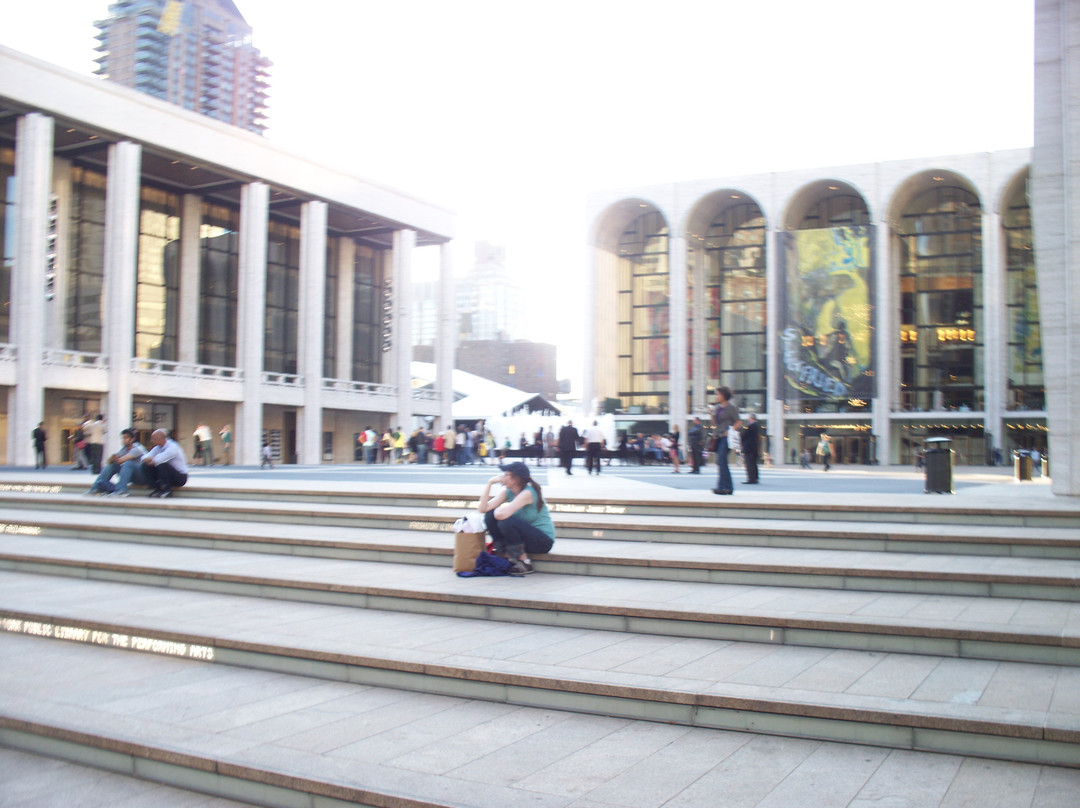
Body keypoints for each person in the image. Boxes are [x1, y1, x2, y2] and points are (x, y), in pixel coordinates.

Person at [478, 461, 555, 576]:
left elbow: (501, 515)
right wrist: (489, 483)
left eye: (505, 474)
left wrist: (498, 511)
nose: (502, 478)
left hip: (542, 541)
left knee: (506, 521)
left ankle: (524, 562)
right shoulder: (508, 492)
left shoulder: (528, 493)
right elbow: (483, 508)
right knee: (489, 516)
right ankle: (503, 553)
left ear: (516, 478)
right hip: (525, 539)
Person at [88, 428, 147, 496]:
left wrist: (114, 459)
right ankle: (96, 489)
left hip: (142, 476)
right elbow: (109, 461)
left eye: (126, 438)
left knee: (128, 463)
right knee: (112, 465)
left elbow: (121, 460)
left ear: (132, 439)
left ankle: (122, 490)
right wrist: (113, 458)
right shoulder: (124, 449)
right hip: (132, 476)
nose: (123, 440)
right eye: (123, 438)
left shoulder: (137, 448)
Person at [140, 429, 188, 497]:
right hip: (168, 475)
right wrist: (148, 459)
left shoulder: (172, 447)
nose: (151, 441)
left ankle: (166, 490)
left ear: (161, 439)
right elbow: (144, 458)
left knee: (162, 465)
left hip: (180, 477)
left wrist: (151, 460)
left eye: (153, 439)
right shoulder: (157, 448)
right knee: (144, 466)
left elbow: (158, 460)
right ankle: (157, 489)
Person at [712, 386, 741, 495]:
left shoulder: (731, 408)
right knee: (720, 462)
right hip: (718, 436)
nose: (716, 396)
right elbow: (715, 423)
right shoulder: (717, 408)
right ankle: (725, 486)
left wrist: (730, 431)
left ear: (724, 395)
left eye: (717, 394)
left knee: (721, 460)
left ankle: (725, 487)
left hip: (726, 437)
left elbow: (738, 422)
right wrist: (711, 413)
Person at [742, 412, 762, 484]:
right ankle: (755, 478)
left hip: (749, 448)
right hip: (754, 448)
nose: (748, 419)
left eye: (749, 418)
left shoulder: (751, 426)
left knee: (749, 464)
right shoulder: (757, 426)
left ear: (751, 418)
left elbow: (744, 436)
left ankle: (751, 478)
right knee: (753, 464)